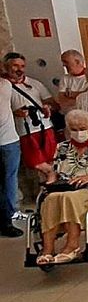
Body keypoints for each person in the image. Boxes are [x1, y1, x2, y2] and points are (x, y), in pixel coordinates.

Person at [36, 109, 88, 265]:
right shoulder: (62, 147)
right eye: (74, 129)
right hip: (65, 187)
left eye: (82, 129)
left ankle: (72, 246)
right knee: (50, 199)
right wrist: (49, 181)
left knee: (69, 198)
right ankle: (47, 250)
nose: (78, 133)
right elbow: (55, 170)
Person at [4, 52, 57, 180]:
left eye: (22, 66)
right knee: (35, 162)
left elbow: (52, 103)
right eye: (15, 66)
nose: (19, 69)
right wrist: (14, 113)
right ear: (6, 67)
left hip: (45, 128)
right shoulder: (3, 86)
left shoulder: (35, 83)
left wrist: (47, 108)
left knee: (52, 159)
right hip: (24, 132)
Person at [0, 77, 23, 237]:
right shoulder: (5, 84)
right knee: (9, 181)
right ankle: (7, 221)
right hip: (8, 141)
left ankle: (6, 220)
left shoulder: (4, 85)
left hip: (8, 141)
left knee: (8, 181)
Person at [57, 49, 88, 116]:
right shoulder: (64, 78)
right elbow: (62, 102)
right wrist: (81, 95)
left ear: (77, 62)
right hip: (68, 116)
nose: (63, 65)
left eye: (66, 62)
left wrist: (71, 95)